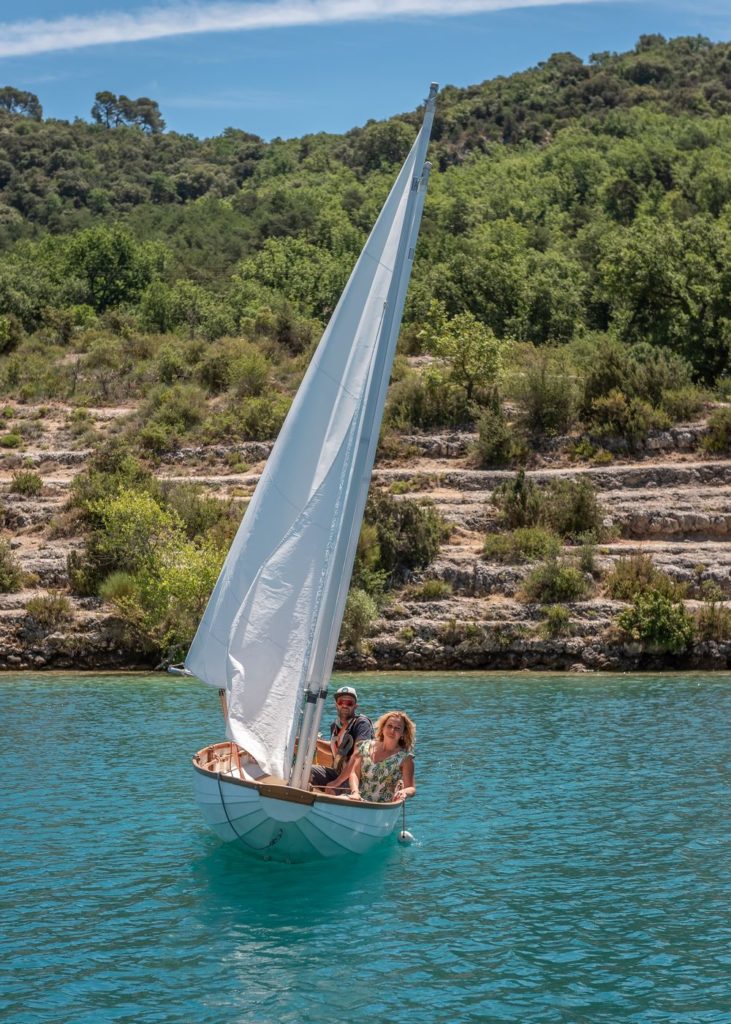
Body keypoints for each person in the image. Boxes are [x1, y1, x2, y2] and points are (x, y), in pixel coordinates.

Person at [327, 710, 416, 803]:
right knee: (330, 800)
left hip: (383, 806)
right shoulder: (365, 746)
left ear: (403, 733)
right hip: (358, 799)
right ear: (383, 728)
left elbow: (411, 788)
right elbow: (354, 773)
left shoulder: (405, 758)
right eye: (389, 726)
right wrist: (355, 792)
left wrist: (404, 792)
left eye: (397, 728)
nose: (392, 730)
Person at [310, 686, 374, 792]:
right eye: (341, 702)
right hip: (338, 772)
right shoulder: (335, 726)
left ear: (355, 706)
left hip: (357, 777)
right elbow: (337, 750)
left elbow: (358, 754)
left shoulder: (361, 724)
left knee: (335, 789)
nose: (344, 705)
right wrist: (313, 742)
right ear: (336, 705)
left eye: (349, 703)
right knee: (304, 772)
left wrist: (336, 782)